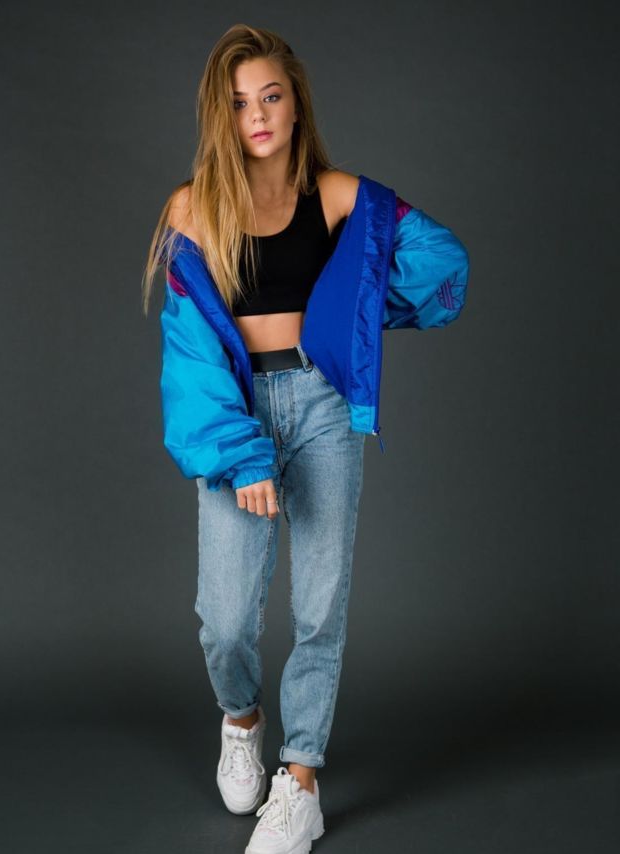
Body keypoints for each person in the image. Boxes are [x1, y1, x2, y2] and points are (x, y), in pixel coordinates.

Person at [141, 23, 470, 854]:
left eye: (271, 96)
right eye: (238, 102)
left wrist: (353, 315)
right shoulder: (194, 208)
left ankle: (302, 780)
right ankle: (242, 718)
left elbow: (441, 263)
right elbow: (190, 355)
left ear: (295, 106)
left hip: (321, 404)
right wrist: (241, 452)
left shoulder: (337, 195)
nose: (256, 115)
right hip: (239, 410)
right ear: (221, 116)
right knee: (226, 619)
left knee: (320, 606)